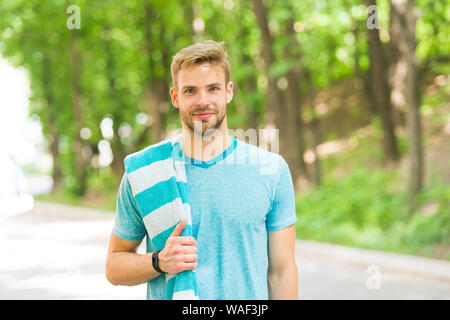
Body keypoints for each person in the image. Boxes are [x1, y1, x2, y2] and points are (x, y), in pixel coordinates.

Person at [105, 40, 298, 300]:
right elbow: (114, 267)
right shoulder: (144, 173)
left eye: (213, 89)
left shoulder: (271, 170)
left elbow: (282, 271)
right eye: (190, 91)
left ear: (228, 92)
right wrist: (159, 262)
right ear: (175, 97)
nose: (203, 101)